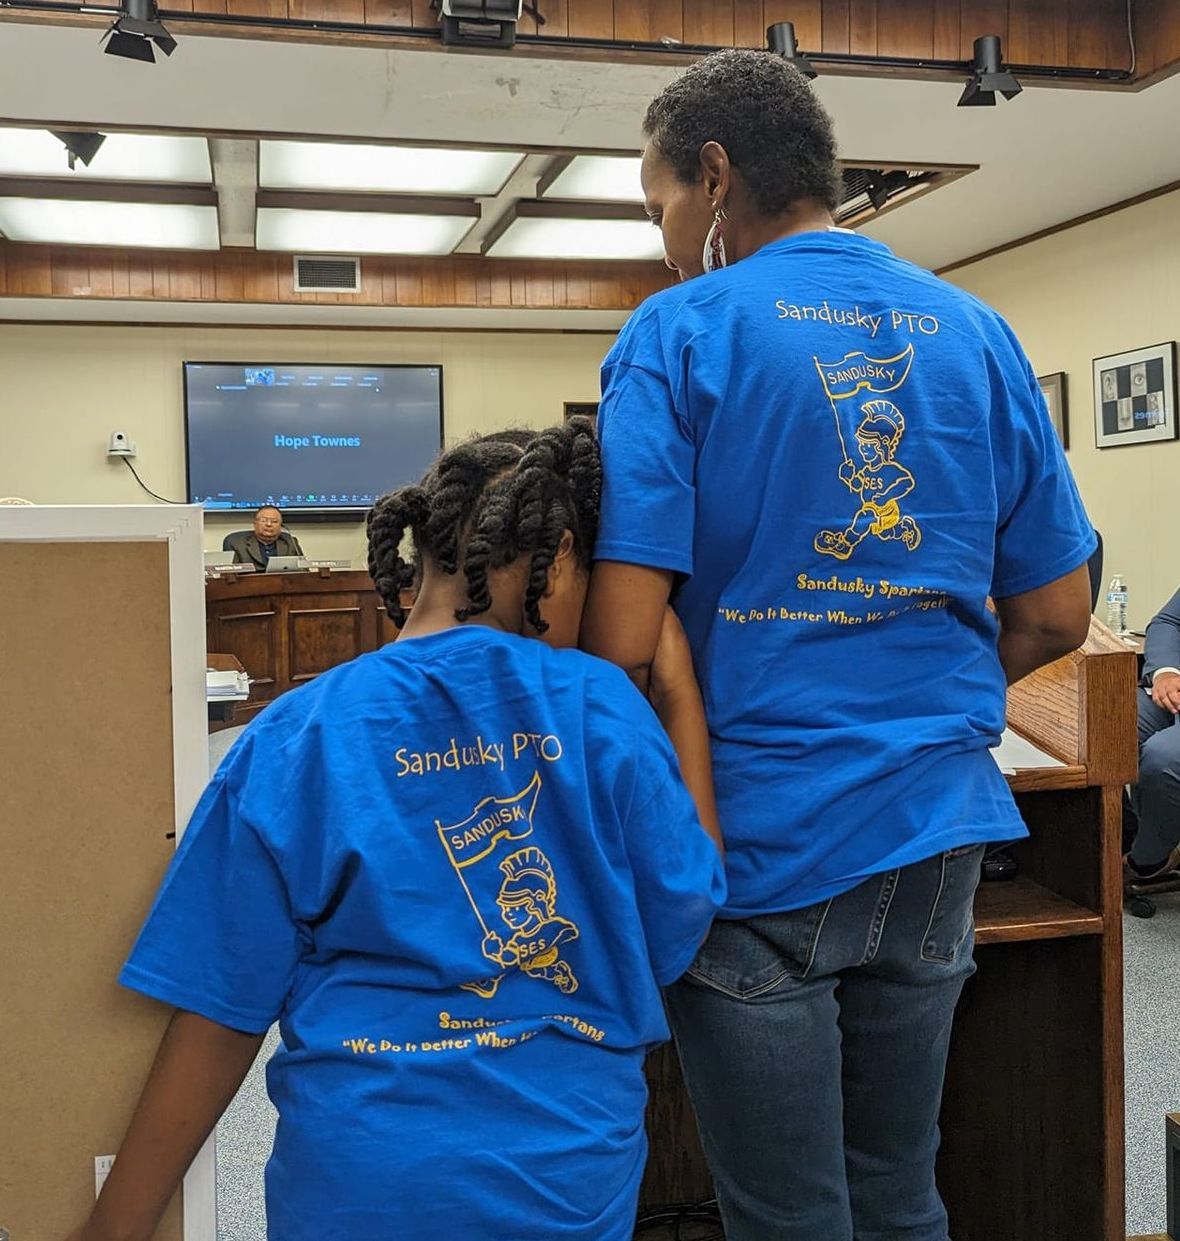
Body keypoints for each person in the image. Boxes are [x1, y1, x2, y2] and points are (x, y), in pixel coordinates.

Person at [580, 50, 1095, 1241]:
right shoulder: (975, 329)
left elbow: (618, 638)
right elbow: (1057, 616)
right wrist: (923, 696)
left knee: (786, 1212)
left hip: (757, 835)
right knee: (899, 1190)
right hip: (939, 828)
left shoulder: (678, 332)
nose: (661, 235)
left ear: (714, 178)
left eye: (658, 202)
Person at [66, 421, 725, 1241]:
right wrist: (679, 694)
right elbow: (679, 924)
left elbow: (220, 1008)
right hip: (562, 1181)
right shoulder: (605, 711)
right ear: (558, 561)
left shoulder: (294, 733)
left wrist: (111, 1228)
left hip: (357, 1181)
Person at [1127, 587, 1180, 883]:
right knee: (1094, 721)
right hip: (1172, 695)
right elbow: (1169, 623)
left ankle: (1146, 860)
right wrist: (1166, 672)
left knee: (1163, 759)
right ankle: (1117, 839)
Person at [222, 504, 303, 568]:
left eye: (274, 521)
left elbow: (303, 569)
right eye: (264, 520)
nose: (269, 524)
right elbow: (230, 574)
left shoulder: (290, 541)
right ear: (255, 524)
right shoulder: (235, 543)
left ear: (280, 526)